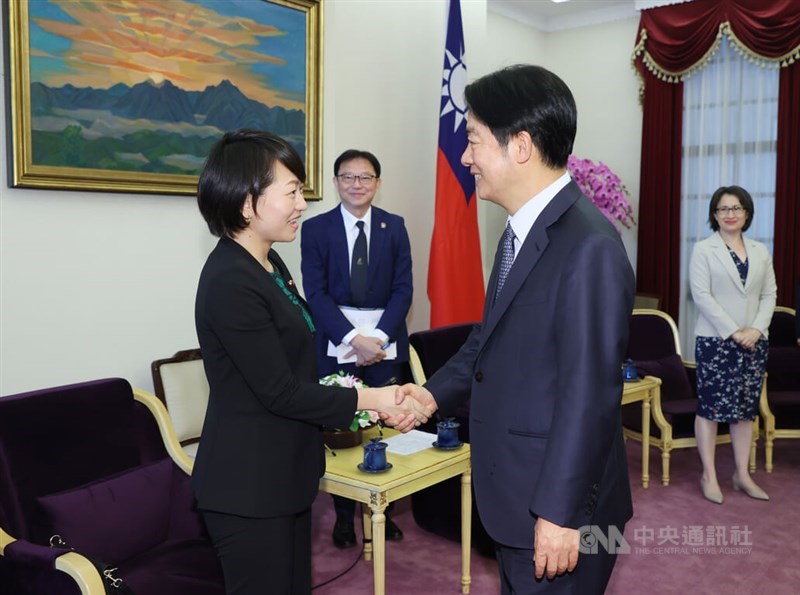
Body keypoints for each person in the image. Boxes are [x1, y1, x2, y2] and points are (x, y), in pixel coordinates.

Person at [400, 64, 635, 594]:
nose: (465, 158)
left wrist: (558, 513)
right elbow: (490, 339)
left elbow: (590, 393)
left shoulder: (588, 245)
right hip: (517, 498)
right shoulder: (521, 234)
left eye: (474, 140)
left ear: (520, 146)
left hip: (557, 511)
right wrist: (429, 396)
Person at [192, 129, 429, 595]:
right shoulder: (229, 281)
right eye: (293, 191)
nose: (303, 203)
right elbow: (279, 390)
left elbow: (301, 369)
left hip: (285, 476)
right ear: (246, 203)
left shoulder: (270, 265)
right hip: (248, 486)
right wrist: (374, 397)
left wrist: (373, 400)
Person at [300, 149, 412, 548]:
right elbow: (315, 293)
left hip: (384, 342)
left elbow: (403, 290)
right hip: (337, 343)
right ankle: (345, 517)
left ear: (377, 183)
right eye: (348, 177)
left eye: (365, 178)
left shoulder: (394, 227)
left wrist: (378, 339)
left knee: (384, 423)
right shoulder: (315, 230)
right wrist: (354, 340)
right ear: (335, 182)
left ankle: (385, 511)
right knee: (341, 426)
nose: (357, 185)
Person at [689, 185, 777, 505]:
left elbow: (769, 295)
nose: (730, 214)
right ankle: (709, 475)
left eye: (736, 208)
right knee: (710, 409)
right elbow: (702, 296)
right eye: (723, 209)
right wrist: (733, 331)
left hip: (755, 342)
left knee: (745, 412)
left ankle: (742, 474)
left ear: (747, 213)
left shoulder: (759, 251)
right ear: (715, 215)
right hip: (716, 342)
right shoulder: (703, 249)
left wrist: (756, 329)